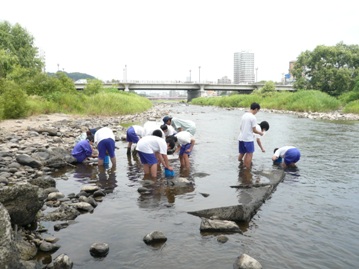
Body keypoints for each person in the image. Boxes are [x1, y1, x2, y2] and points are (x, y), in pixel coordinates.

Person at [237, 102, 264, 169]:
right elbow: (254, 130)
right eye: (257, 111)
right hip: (248, 139)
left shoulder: (244, 115)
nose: (257, 112)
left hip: (241, 137)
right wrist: (260, 133)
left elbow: (240, 127)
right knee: (249, 154)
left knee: (242, 153)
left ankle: (240, 165)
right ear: (256, 109)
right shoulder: (253, 117)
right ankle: (247, 169)